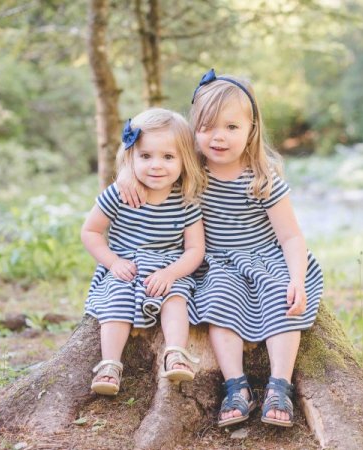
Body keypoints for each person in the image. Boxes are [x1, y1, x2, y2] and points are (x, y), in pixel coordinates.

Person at [117, 69, 323, 428]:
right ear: (193, 130)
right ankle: (236, 386)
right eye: (207, 127)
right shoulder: (188, 170)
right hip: (215, 263)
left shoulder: (262, 178)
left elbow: (290, 236)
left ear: (251, 131)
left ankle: (280, 385)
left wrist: (297, 279)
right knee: (219, 303)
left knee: (282, 301)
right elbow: (149, 162)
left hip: (264, 257)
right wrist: (124, 174)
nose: (219, 137)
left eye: (231, 128)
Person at [81, 108, 206, 396]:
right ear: (131, 157)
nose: (156, 165)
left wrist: (171, 273)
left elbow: (195, 249)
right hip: (128, 266)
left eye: (168, 157)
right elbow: (90, 231)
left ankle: (175, 353)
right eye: (146, 156)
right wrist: (112, 263)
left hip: (168, 269)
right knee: (115, 302)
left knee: (176, 298)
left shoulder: (186, 200)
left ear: (184, 160)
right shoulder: (120, 193)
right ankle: (110, 365)